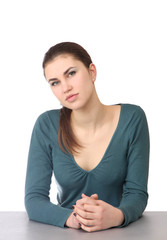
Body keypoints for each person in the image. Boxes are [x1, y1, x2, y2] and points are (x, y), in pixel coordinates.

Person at [25, 42, 150, 232]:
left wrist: (116, 216)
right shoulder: (46, 125)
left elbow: (137, 194)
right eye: (55, 82)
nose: (65, 87)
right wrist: (74, 218)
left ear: (92, 72)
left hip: (121, 234)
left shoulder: (133, 118)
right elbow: (34, 199)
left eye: (71, 73)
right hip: (67, 233)